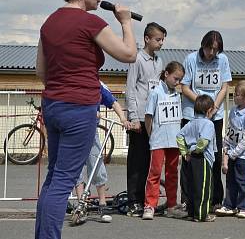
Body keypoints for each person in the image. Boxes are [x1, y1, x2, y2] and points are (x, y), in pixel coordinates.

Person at [33, 0, 137, 239]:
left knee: (54, 179)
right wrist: (126, 22)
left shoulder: (49, 23)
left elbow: (41, 72)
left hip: (53, 104)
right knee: (63, 181)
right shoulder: (89, 23)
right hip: (79, 107)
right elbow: (129, 54)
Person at [180, 31, 232, 208]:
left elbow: (224, 87)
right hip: (192, 114)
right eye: (209, 48)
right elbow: (185, 87)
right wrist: (201, 105)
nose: (211, 52)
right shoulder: (191, 59)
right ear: (203, 45)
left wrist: (214, 107)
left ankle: (215, 198)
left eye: (215, 49)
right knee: (189, 155)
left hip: (214, 116)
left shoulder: (222, 60)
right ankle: (188, 199)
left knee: (215, 156)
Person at [125, 22, 166, 217]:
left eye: (162, 40)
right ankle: (133, 200)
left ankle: (147, 200)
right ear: (147, 39)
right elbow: (131, 88)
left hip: (153, 117)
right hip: (139, 117)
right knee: (137, 161)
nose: (161, 43)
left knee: (151, 160)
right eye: (158, 39)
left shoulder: (159, 61)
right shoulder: (137, 59)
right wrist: (133, 117)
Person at [74, 82, 127, 224]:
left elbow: (113, 102)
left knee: (96, 164)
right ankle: (81, 204)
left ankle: (102, 204)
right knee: (76, 168)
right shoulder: (75, 82)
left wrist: (122, 118)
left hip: (91, 132)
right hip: (74, 130)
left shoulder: (97, 85)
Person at [142, 61, 186, 220]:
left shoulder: (177, 94)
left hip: (174, 140)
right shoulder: (155, 93)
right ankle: (149, 205)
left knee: (172, 172)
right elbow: (148, 117)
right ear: (166, 74)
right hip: (158, 140)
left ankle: (172, 204)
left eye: (180, 80)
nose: (178, 82)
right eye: (176, 78)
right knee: (154, 173)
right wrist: (151, 135)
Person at [217, 80, 245, 219]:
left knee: (243, 181)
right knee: (230, 180)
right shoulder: (234, 111)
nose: (234, 96)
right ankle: (229, 205)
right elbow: (230, 130)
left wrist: (235, 153)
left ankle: (244, 207)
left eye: (237, 95)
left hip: (243, 155)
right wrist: (226, 146)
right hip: (232, 151)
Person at [177, 95, 217, 222]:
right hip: (203, 157)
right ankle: (201, 214)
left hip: (191, 158)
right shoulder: (208, 124)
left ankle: (191, 212)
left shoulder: (190, 123)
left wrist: (185, 152)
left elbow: (179, 136)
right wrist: (196, 149)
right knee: (204, 187)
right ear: (209, 110)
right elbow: (204, 141)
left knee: (192, 185)